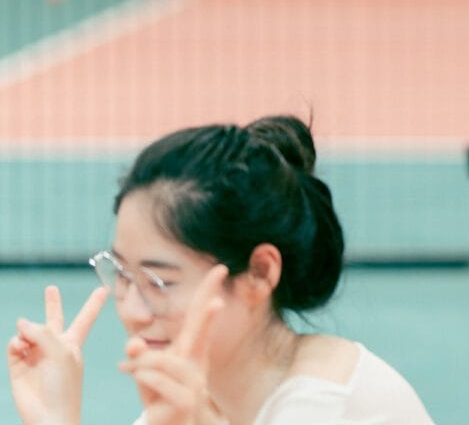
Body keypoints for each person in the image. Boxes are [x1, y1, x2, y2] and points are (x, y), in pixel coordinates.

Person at [7, 115, 435, 425]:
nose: (132, 311)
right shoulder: (195, 395)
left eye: (159, 282)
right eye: (121, 273)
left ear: (260, 273)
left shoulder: (329, 408)